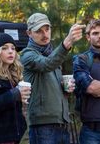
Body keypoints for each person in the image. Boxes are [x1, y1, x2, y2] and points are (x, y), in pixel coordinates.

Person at [20, 12, 85, 144]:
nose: (45, 34)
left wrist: (65, 89)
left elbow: (50, 83)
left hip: (62, 122)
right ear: (29, 33)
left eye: (47, 29)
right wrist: (67, 42)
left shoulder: (53, 54)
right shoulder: (27, 54)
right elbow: (46, 64)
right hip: (42, 126)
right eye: (39, 31)